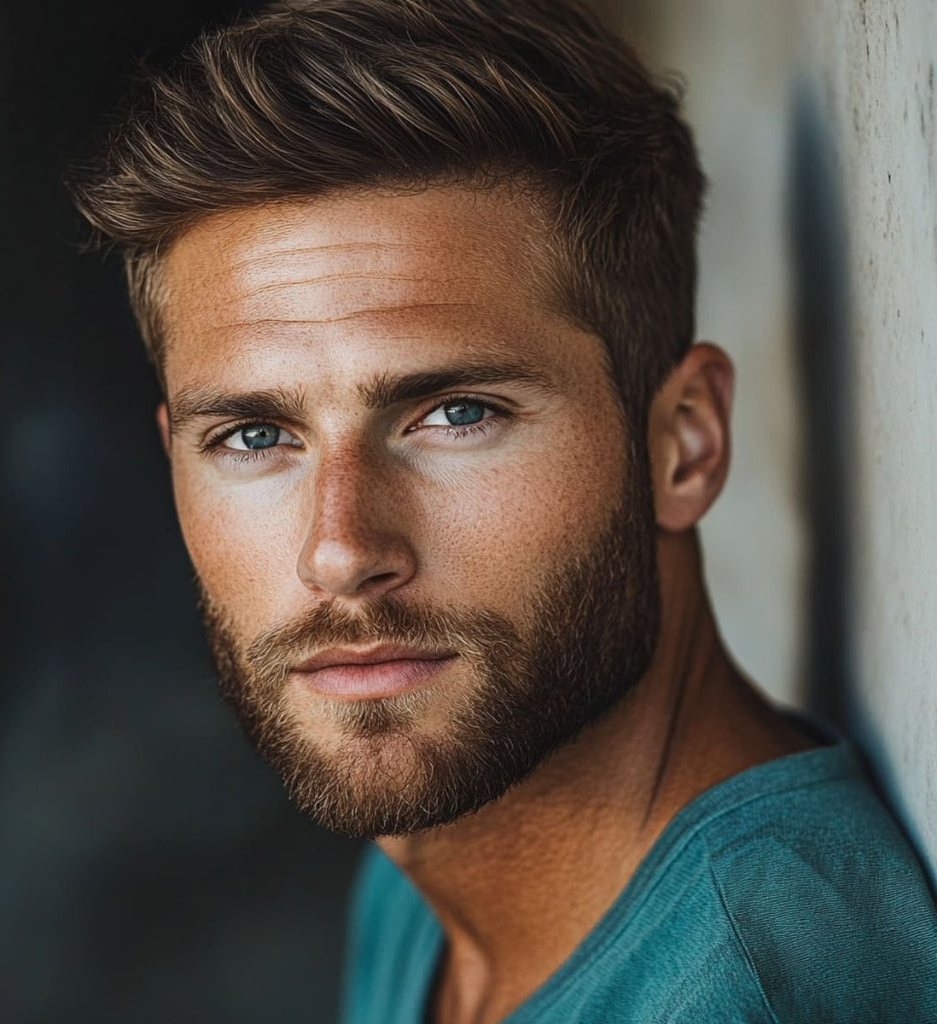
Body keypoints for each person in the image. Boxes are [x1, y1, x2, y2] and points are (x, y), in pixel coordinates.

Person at [70, 1, 937, 1021]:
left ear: (683, 441)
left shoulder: (755, 988)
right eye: (255, 436)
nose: (342, 549)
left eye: (455, 413)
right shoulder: (427, 857)